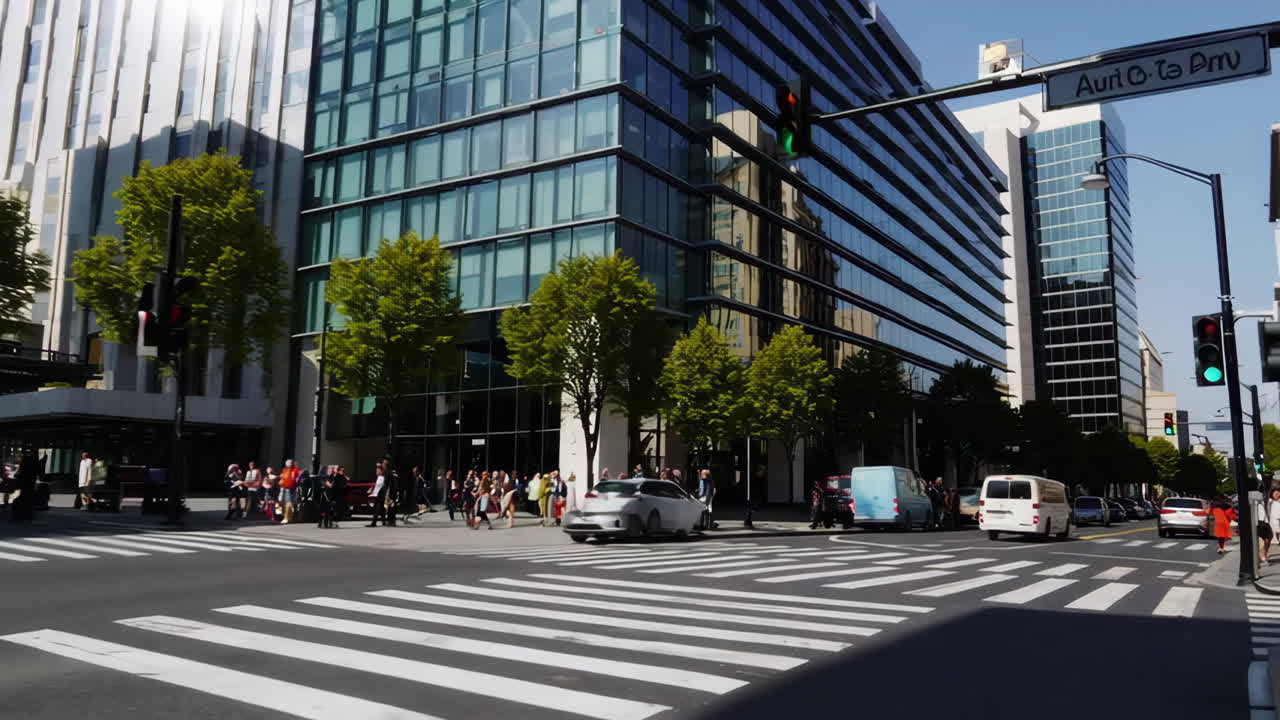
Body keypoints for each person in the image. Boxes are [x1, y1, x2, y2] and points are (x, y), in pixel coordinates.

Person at [278, 459, 300, 524]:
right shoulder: (286, 470)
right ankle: (288, 517)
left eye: (290, 463)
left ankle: (286, 517)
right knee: (286, 503)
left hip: (289, 488)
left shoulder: (294, 470)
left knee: (288, 503)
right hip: (286, 488)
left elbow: (295, 479)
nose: (290, 464)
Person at [368, 462, 389, 527]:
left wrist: (380, 466)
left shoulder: (383, 478)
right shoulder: (379, 478)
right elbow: (376, 486)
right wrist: (371, 490)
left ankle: (373, 523)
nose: (376, 472)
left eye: (377, 471)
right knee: (381, 509)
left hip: (380, 495)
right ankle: (384, 522)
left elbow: (382, 487)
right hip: (378, 495)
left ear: (381, 471)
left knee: (377, 509)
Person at [1265, 488, 1280, 563]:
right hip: (1273, 521)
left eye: (1278, 493)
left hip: (1278, 520)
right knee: (1272, 538)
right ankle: (1265, 554)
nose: (1277, 494)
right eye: (1275, 493)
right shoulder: (1270, 501)